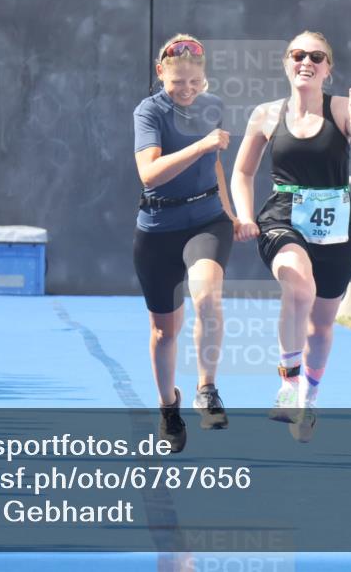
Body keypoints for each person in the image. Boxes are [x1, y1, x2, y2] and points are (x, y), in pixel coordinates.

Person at [231, 31, 351, 441]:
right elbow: (243, 172)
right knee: (298, 285)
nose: (307, 62)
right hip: (282, 216)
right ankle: (288, 383)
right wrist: (245, 216)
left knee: (320, 326)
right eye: (298, 55)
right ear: (286, 62)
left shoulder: (341, 109)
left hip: (335, 225)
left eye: (316, 57)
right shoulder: (266, 114)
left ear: (327, 68)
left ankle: (309, 399)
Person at [134, 34, 237, 452]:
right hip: (158, 228)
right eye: (179, 82)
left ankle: (206, 388)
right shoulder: (149, 111)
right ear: (161, 73)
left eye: (195, 82)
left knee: (207, 297)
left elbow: (215, 165)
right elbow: (149, 173)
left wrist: (231, 213)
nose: (188, 90)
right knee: (164, 332)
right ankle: (168, 407)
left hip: (207, 221)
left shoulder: (212, 107)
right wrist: (201, 144)